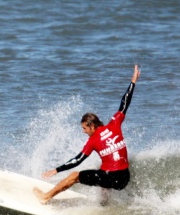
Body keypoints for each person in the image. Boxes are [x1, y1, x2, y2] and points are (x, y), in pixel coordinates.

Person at [33, 64, 141, 205]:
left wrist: (56, 169)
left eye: (84, 128)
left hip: (112, 178)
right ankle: (104, 204)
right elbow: (124, 103)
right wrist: (133, 81)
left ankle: (45, 197)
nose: (83, 131)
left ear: (91, 125)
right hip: (124, 178)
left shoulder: (93, 140)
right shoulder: (114, 124)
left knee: (75, 176)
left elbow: (77, 160)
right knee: (102, 171)